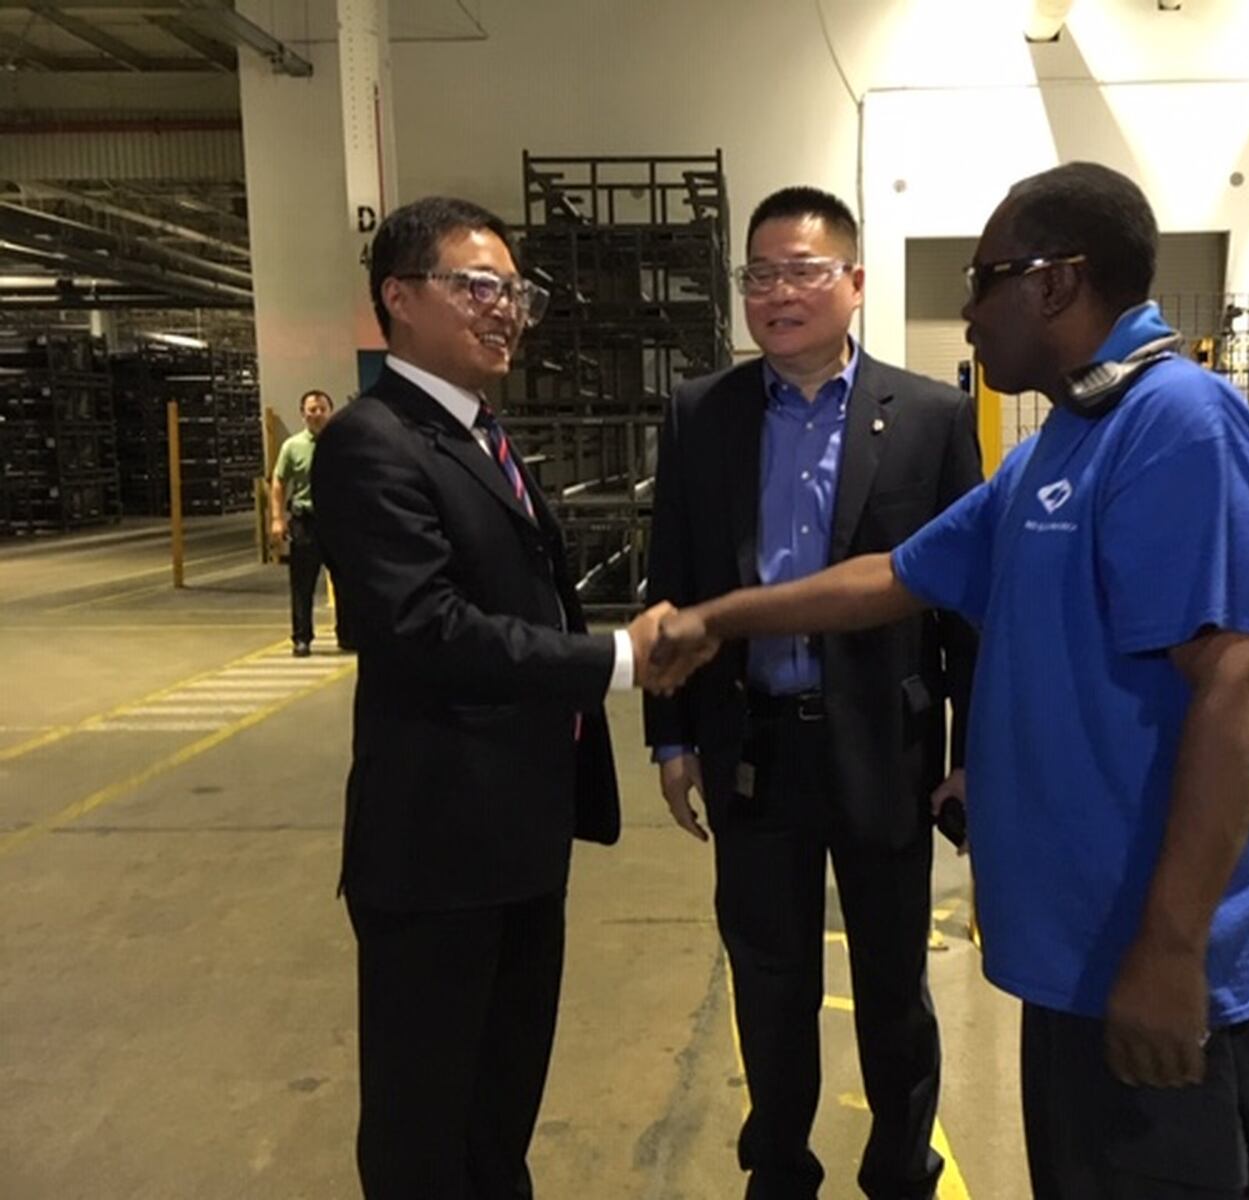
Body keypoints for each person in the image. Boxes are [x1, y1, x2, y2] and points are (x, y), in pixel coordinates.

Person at [653, 163, 1249, 1200]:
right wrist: (711, 621)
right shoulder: (1065, 441)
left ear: (1055, 285)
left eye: (983, 281)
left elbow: (1239, 682)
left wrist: (1171, 949)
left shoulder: (1179, 426)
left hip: (1167, 967)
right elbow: (893, 576)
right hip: (1080, 952)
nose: (965, 313)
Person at [311, 196, 697, 1200]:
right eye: (476, 286)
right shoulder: (373, 441)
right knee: (423, 1125)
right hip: (435, 847)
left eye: (514, 291)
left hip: (516, 834)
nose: (505, 310)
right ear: (399, 298)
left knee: (499, 1109)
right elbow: (423, 628)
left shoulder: (480, 432)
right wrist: (611, 659)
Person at [644, 186, 982, 1200]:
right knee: (769, 974)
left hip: (883, 746)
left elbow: (964, 602)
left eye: (801, 271)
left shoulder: (928, 416)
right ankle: (779, 1169)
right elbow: (674, 581)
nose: (778, 293)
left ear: (854, 284)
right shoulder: (703, 413)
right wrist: (671, 736)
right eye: (759, 274)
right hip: (753, 744)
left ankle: (898, 1166)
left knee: (890, 979)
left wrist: (973, 752)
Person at [269, 388, 337, 656]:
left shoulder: (343, 442)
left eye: (322, 409)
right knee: (302, 584)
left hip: (337, 522)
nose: (317, 414)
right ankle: (302, 638)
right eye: (312, 410)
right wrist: (276, 519)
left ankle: (350, 634)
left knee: (347, 582)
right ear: (303, 414)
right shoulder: (292, 446)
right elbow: (278, 482)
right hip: (305, 522)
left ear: (330, 412)